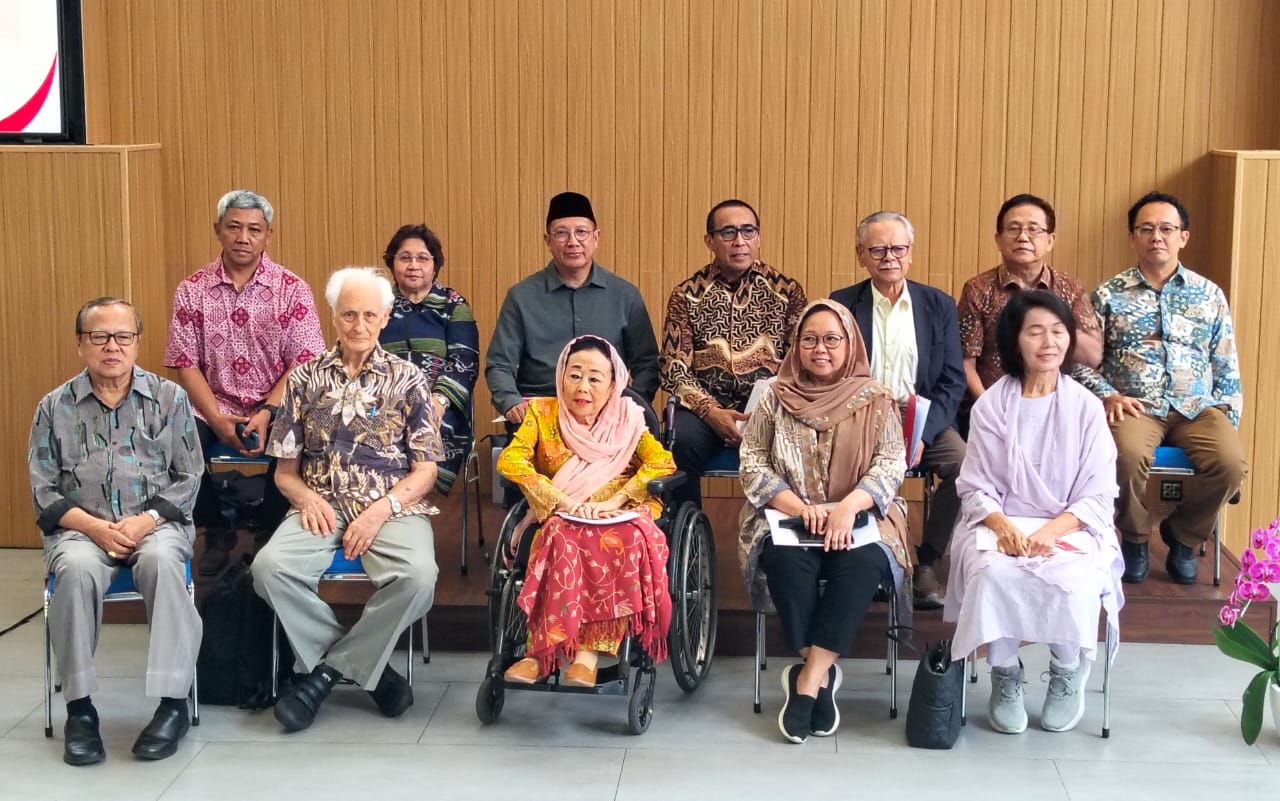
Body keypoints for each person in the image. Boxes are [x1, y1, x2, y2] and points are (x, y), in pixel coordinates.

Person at [252, 267, 442, 733]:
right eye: (349, 314)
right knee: (269, 569)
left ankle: (325, 674)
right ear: (333, 316)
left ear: (386, 317)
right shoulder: (304, 379)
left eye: (369, 315)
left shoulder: (409, 379)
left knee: (419, 576)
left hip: (391, 504)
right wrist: (304, 497)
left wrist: (381, 511)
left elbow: (426, 470)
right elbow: (285, 472)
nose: (359, 325)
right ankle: (371, 672)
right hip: (321, 503)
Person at [30, 298, 203, 765]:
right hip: (82, 529)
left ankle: (173, 704)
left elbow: (191, 476)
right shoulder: (54, 406)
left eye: (123, 336)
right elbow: (43, 490)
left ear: (137, 342)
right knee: (75, 570)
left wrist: (146, 521)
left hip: (155, 524)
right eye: (99, 336)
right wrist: (95, 528)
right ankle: (80, 710)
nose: (112, 346)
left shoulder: (170, 398)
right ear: (80, 344)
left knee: (163, 561)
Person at [944, 291, 1123, 735]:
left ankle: (1066, 668)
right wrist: (1002, 527)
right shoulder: (991, 405)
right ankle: (1005, 672)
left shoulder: (1086, 407)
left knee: (1074, 578)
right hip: (998, 523)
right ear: (1015, 341)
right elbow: (976, 485)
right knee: (992, 574)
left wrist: (1053, 531)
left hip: (1071, 525)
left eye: (1058, 332)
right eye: (1036, 332)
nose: (1049, 342)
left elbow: (1100, 492)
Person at [737, 299, 912, 744]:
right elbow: (752, 462)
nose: (820, 349)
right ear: (796, 345)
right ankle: (821, 673)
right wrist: (800, 508)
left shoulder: (877, 399)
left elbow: (891, 462)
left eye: (832, 339)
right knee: (786, 562)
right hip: (788, 514)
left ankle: (808, 680)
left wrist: (848, 507)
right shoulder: (773, 396)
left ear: (850, 344)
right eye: (810, 339)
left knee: (862, 565)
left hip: (862, 514)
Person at [1077, 191, 1246, 585]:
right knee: (1125, 456)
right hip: (1135, 407)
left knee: (1231, 464)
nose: (1157, 237)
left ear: (1183, 237)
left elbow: (1226, 362)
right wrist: (1108, 394)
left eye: (1167, 229)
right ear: (1132, 237)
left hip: (1197, 408)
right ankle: (1135, 538)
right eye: (1146, 229)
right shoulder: (1107, 294)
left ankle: (1183, 537)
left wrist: (1228, 416)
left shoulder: (1209, 295)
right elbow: (1080, 364)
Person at [497, 335, 675, 687]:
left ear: (613, 385)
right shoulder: (541, 413)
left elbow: (662, 463)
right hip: (564, 510)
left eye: (595, 378)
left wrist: (615, 501)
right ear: (561, 376)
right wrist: (560, 500)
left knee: (617, 540)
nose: (583, 387)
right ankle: (540, 653)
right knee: (560, 536)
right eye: (575, 375)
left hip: (617, 510)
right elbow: (510, 460)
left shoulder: (628, 418)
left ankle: (588, 655)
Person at [165, 189, 326, 575]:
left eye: (254, 229)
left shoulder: (292, 289)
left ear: (268, 234)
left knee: (302, 437)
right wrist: (216, 418)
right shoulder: (192, 289)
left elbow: (305, 361)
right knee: (173, 443)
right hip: (211, 406)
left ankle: (269, 528)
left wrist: (268, 411)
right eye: (234, 227)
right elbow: (185, 363)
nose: (243, 237)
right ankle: (216, 528)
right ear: (218, 229)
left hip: (277, 404)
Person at [830, 211, 966, 609]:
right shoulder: (842, 304)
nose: (889, 257)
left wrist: (924, 433)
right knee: (842, 464)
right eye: (878, 250)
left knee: (964, 466)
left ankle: (927, 562)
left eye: (898, 248)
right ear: (861, 255)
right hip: (860, 416)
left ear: (910, 252)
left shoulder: (938, 305)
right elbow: (830, 373)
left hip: (922, 415)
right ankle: (865, 558)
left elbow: (952, 380)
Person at [660, 198, 806, 509]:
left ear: (758, 237)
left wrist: (760, 418)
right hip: (705, 411)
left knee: (799, 437)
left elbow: (800, 364)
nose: (740, 241)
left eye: (748, 231)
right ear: (709, 241)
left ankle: (785, 524)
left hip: (769, 408)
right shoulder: (686, 294)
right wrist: (711, 412)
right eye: (728, 233)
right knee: (680, 440)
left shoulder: (786, 292)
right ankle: (687, 527)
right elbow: (673, 368)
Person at [486, 191, 660, 425]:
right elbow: (499, 364)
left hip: (608, 416)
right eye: (561, 233)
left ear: (596, 237)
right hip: (540, 414)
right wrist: (510, 402)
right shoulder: (521, 296)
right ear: (547, 240)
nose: (573, 242)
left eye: (581, 232)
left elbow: (647, 364)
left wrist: (632, 405)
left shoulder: (625, 295)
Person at [956, 194, 1103, 415]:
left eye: (1034, 229)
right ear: (998, 239)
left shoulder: (1069, 288)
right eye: (1013, 229)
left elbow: (1092, 357)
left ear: (1050, 241)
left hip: (1058, 405)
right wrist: (989, 406)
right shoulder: (978, 289)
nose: (1023, 237)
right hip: (994, 404)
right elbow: (966, 362)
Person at [379, 223, 480, 494]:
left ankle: (403, 500)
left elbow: (465, 362)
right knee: (363, 426)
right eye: (405, 257)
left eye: (422, 258)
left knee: (423, 427)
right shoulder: (378, 304)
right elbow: (361, 354)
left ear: (435, 266)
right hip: (382, 402)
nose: (414, 265)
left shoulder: (453, 305)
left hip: (438, 406)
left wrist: (438, 401)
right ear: (392, 264)